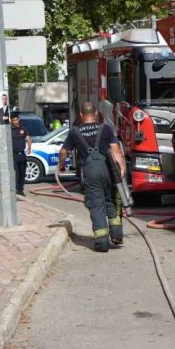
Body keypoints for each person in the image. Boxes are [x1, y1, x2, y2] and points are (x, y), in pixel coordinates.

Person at [59, 102, 126, 252]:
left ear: (81, 115)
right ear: (96, 114)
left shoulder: (75, 132)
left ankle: (102, 242)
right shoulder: (105, 128)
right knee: (111, 200)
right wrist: (122, 168)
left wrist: (61, 165)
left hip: (90, 171)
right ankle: (116, 234)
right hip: (108, 170)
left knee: (96, 204)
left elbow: (63, 151)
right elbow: (116, 151)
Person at [9, 112, 32, 196]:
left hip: (21, 154)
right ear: (11, 121)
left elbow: (28, 138)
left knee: (22, 173)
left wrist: (29, 148)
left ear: (19, 120)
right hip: (13, 154)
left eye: (16, 120)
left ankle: (20, 189)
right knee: (16, 173)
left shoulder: (23, 129)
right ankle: (15, 189)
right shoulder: (9, 129)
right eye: (13, 120)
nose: (15, 122)